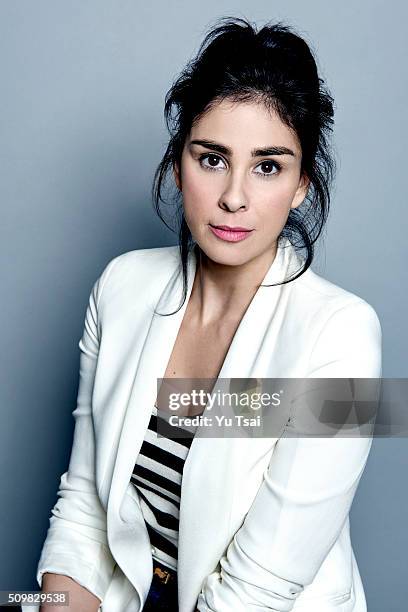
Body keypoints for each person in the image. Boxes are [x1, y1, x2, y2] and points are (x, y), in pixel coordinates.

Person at [28, 16, 382, 612]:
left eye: (268, 165)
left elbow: (258, 589)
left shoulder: (342, 338)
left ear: (301, 185)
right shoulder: (122, 288)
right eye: (212, 158)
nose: (234, 196)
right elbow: (87, 512)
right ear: (177, 163)